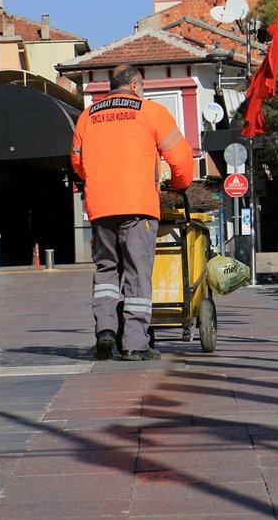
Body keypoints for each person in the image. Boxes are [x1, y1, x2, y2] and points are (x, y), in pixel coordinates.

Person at [71, 63, 194, 361]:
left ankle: (105, 331)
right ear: (136, 85)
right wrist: (178, 186)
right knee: (138, 275)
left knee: (106, 270)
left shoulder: (88, 116)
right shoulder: (151, 112)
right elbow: (182, 160)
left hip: (100, 207)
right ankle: (135, 344)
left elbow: (77, 163)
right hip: (138, 207)